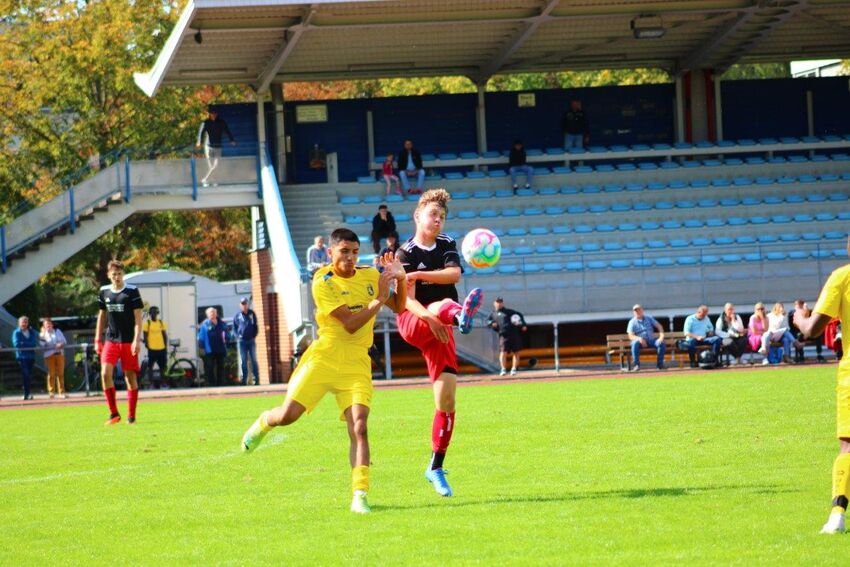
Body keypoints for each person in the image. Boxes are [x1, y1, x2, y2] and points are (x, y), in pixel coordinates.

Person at [241, 229, 407, 514]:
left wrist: (401, 279)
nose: (350, 257)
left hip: (356, 364)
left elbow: (400, 306)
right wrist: (379, 299)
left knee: (360, 426)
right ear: (330, 253)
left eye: (355, 252)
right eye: (344, 251)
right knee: (287, 416)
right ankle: (265, 420)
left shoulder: (369, 275)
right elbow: (350, 324)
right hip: (323, 359)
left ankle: (360, 495)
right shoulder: (322, 280)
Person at [396, 188, 484, 497]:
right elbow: (406, 300)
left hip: (442, 328)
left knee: (447, 402)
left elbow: (454, 275)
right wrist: (430, 317)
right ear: (417, 215)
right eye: (433, 214)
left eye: (442, 216)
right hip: (415, 321)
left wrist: (421, 277)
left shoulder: (446, 243)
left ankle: (435, 467)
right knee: (441, 306)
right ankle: (461, 316)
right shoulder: (405, 253)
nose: (438, 220)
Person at [793, 236, 850, 534]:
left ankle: (837, 515)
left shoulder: (842, 277)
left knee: (848, 446)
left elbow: (813, 329)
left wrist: (799, 319)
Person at [95, 260, 144, 425]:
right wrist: (97, 339)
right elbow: (102, 316)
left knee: (130, 378)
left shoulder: (132, 291)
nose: (117, 277)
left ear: (123, 274)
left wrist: (136, 340)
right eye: (114, 274)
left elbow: (138, 318)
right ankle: (114, 413)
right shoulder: (104, 292)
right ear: (109, 275)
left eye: (119, 274)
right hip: (111, 340)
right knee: (105, 374)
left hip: (128, 341)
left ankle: (131, 416)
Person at [195, 106, 236, 187]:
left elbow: (227, 130)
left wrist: (231, 140)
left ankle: (206, 179)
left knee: (216, 165)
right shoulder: (206, 122)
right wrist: (199, 142)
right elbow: (201, 132)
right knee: (210, 165)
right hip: (208, 146)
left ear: (217, 114)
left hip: (218, 146)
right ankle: (209, 181)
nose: (213, 115)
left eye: (215, 113)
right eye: (212, 113)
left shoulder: (221, 122)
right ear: (209, 114)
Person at [486, 297, 528, 376]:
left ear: (503, 303)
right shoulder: (493, 314)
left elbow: (519, 315)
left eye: (501, 302)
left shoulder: (509, 312)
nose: (499, 304)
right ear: (494, 303)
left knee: (516, 352)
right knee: (503, 352)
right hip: (503, 335)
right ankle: (503, 369)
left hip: (514, 334)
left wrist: (523, 324)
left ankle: (514, 369)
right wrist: (491, 324)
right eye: (498, 302)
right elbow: (488, 322)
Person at [625, 304, 665, 371]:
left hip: (651, 340)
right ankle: (636, 365)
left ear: (642, 310)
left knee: (661, 343)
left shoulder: (649, 318)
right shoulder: (632, 322)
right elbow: (630, 336)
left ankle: (660, 365)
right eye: (636, 311)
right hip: (640, 343)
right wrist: (639, 339)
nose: (637, 312)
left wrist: (661, 336)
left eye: (639, 310)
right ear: (634, 312)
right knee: (634, 344)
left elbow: (659, 326)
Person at [197, 307, 227, 386]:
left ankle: (220, 384)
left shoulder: (222, 323)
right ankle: (212, 384)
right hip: (209, 350)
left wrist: (227, 337)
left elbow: (227, 333)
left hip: (220, 349)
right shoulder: (204, 325)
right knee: (210, 368)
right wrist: (201, 346)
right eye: (210, 313)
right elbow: (201, 337)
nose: (212, 314)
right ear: (207, 315)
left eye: (214, 312)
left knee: (221, 367)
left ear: (216, 314)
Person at [233, 297, 260, 386]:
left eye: (245, 303)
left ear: (247, 304)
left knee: (254, 360)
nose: (244, 305)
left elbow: (255, 326)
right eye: (242, 304)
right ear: (240, 305)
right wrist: (238, 336)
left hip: (251, 340)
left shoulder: (252, 313)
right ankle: (244, 380)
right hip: (242, 342)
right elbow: (234, 328)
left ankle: (256, 379)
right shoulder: (237, 316)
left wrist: (254, 335)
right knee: (243, 361)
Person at [39, 318, 67, 399]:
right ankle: (51, 392)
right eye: (46, 324)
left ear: (52, 324)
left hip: (59, 354)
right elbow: (42, 345)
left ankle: (61, 392)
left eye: (49, 324)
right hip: (49, 356)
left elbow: (64, 341)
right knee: (51, 374)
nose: (48, 325)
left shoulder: (58, 331)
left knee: (60, 373)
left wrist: (61, 344)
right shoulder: (42, 334)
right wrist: (43, 336)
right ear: (44, 326)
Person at [12, 316, 38, 400]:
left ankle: (28, 393)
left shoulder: (31, 331)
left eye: (26, 322)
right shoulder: (16, 332)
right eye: (22, 322)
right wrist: (28, 344)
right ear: (19, 323)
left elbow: (34, 343)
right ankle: (26, 393)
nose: (24, 324)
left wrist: (23, 343)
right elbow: (16, 344)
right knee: (25, 375)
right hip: (22, 357)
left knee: (29, 375)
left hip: (31, 357)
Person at [143, 306, 168, 389]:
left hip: (161, 349)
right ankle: (151, 384)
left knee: (162, 367)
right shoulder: (147, 323)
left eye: (155, 312)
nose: (154, 314)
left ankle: (163, 383)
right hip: (152, 349)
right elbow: (145, 336)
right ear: (150, 314)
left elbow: (164, 335)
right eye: (152, 312)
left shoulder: (161, 323)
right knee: (150, 367)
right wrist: (147, 345)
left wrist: (165, 347)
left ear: (157, 313)